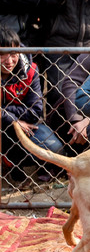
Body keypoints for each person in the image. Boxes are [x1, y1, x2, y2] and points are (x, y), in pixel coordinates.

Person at [0, 25, 63, 183]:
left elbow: (35, 111)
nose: (9, 61)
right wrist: (12, 119)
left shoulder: (30, 70)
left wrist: (5, 111)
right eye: (2, 54)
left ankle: (17, 164)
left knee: (54, 146)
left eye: (13, 53)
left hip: (26, 125)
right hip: (8, 124)